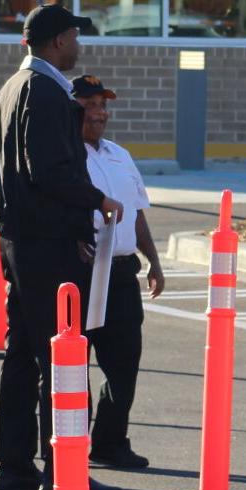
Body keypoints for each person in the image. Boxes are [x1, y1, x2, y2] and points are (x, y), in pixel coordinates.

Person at [0, 3, 125, 490]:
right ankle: (63, 472)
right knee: (63, 356)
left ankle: (15, 468)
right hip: (45, 243)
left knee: (23, 353)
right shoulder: (43, 92)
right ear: (58, 40)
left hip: (16, 238)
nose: (79, 45)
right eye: (74, 36)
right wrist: (98, 200)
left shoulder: (10, 90)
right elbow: (50, 171)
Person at [71, 74, 165, 469]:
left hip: (122, 272)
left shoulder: (119, 155)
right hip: (82, 270)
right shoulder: (65, 156)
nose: (100, 113)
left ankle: (110, 442)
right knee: (75, 364)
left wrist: (153, 261)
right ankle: (71, 443)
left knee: (124, 361)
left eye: (103, 104)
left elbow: (137, 213)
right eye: (90, 105)